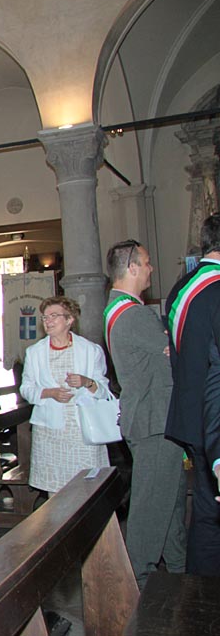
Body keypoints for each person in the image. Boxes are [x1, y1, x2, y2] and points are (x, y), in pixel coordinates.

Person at [104, 239, 185, 586]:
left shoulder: (119, 309)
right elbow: (176, 352)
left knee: (169, 505)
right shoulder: (133, 314)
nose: (151, 269)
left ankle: (180, 574)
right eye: (147, 263)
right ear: (132, 267)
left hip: (153, 419)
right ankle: (137, 585)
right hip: (154, 420)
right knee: (151, 511)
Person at [165, 213, 220, 576]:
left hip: (192, 413)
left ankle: (200, 591)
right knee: (210, 514)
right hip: (214, 417)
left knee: (206, 511)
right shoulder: (215, 290)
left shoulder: (183, 286)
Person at [21, 296, 111, 494]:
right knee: (55, 493)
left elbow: (104, 390)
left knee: (88, 490)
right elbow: (26, 389)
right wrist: (49, 393)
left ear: (70, 319)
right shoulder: (34, 352)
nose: (48, 321)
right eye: (45, 317)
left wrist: (87, 382)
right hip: (50, 432)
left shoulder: (90, 350)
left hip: (83, 430)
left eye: (54, 316)